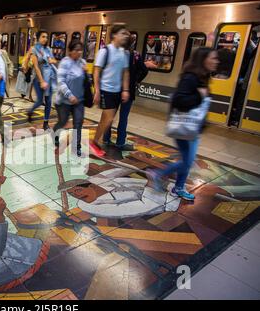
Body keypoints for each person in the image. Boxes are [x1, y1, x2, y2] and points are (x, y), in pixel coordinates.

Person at [147, 47, 219, 201]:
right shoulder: (190, 78)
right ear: (203, 59)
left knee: (187, 160)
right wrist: (199, 96)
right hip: (184, 126)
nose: (216, 61)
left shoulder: (203, 77)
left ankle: (178, 188)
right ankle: (158, 174)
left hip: (193, 128)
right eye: (213, 58)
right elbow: (179, 101)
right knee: (187, 161)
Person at [102, 32, 150, 151]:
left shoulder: (116, 54)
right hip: (128, 92)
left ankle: (106, 139)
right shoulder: (136, 55)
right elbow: (144, 70)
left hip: (114, 91)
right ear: (132, 43)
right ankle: (120, 142)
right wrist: (136, 81)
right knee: (123, 118)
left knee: (110, 116)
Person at [91, 24, 130, 156]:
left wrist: (125, 90)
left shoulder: (124, 53)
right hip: (105, 90)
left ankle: (97, 141)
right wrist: (97, 90)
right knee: (108, 119)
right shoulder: (105, 51)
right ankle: (95, 142)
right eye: (122, 33)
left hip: (117, 92)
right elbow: (96, 71)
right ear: (114, 35)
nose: (125, 36)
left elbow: (125, 72)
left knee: (106, 119)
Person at [52, 40, 87, 156]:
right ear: (70, 51)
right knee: (63, 122)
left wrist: (87, 74)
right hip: (64, 101)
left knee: (78, 123)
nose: (79, 52)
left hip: (79, 101)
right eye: (76, 50)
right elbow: (61, 82)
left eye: (80, 50)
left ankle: (76, 147)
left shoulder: (82, 63)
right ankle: (55, 133)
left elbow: (85, 82)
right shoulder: (65, 63)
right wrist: (70, 95)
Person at [27, 30, 57, 130]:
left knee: (48, 101)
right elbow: (36, 67)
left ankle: (45, 122)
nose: (45, 39)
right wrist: (42, 81)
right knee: (40, 101)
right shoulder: (34, 50)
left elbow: (54, 60)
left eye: (46, 37)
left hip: (49, 78)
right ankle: (30, 111)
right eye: (43, 37)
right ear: (38, 38)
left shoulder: (48, 49)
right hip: (38, 78)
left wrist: (50, 60)